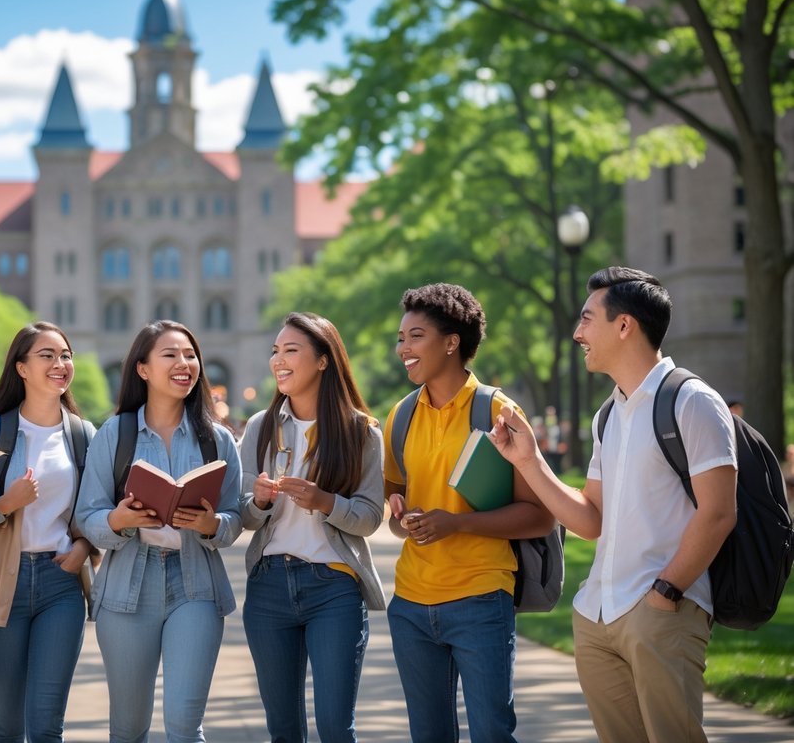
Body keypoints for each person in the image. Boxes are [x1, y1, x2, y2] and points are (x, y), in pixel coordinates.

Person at [489, 267, 737, 743]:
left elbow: (720, 513)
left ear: (624, 326)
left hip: (662, 612)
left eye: (587, 319)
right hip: (597, 616)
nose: (578, 333)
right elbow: (590, 520)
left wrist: (665, 595)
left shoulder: (692, 401)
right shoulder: (609, 413)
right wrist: (530, 460)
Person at [383, 283, 553, 743]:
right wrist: (402, 517)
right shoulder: (400, 417)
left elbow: (540, 515)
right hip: (411, 604)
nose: (403, 348)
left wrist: (456, 523)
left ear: (452, 341)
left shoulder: (498, 410)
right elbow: (396, 506)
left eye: (415, 336)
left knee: (492, 734)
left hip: (481, 598)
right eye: (401, 338)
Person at [74, 320, 242, 743]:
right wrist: (120, 520)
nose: (184, 363)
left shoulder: (217, 439)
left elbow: (234, 517)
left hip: (196, 586)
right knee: (129, 728)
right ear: (143, 369)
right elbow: (87, 516)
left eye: (190, 355)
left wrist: (212, 525)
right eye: (170, 355)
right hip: (127, 588)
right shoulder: (115, 434)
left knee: (185, 724)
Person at [240, 312, 386, 743]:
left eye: (291, 351)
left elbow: (369, 517)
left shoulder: (361, 432)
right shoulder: (259, 429)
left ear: (323, 360)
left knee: (335, 726)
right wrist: (260, 501)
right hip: (268, 588)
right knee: (283, 728)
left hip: (334, 588)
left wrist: (325, 502)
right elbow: (244, 516)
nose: (278, 360)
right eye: (275, 351)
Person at [0, 322, 97, 742]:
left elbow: (97, 510)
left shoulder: (82, 435)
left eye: (66, 355)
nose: (60, 364)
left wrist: (83, 546)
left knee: (46, 724)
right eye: (47, 356)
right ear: (21, 368)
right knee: (6, 724)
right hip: (1, 580)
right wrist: (7, 503)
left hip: (59, 582)